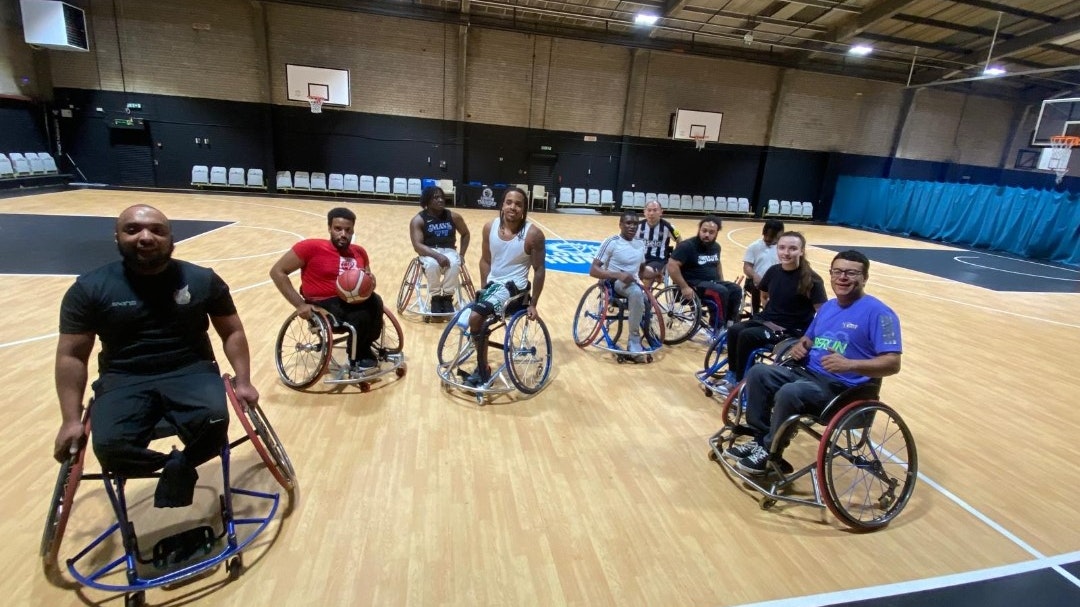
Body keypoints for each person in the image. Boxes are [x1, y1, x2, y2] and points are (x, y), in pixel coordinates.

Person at [53, 205, 259, 508]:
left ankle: (178, 467)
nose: (145, 237)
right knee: (109, 447)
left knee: (215, 423)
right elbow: (71, 355)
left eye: (156, 230)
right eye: (133, 229)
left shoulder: (202, 280)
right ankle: (176, 465)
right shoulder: (89, 289)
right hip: (123, 377)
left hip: (192, 370)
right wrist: (70, 420)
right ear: (117, 237)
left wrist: (244, 381)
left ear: (171, 237)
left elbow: (232, 332)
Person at [726, 250, 903, 475]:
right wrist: (802, 345)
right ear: (830, 274)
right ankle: (761, 440)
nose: (843, 277)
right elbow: (809, 337)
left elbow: (893, 363)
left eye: (851, 273)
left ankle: (771, 453)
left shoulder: (880, 314)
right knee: (759, 373)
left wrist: (850, 365)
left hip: (844, 389)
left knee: (790, 392)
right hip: (809, 374)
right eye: (837, 271)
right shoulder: (828, 307)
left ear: (865, 278)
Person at [270, 207, 384, 371]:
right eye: (338, 229)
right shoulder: (309, 248)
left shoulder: (359, 252)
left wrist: (371, 281)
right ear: (329, 228)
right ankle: (357, 355)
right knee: (361, 314)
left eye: (348, 230)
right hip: (322, 303)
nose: (343, 234)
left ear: (353, 231)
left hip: (351, 299)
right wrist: (299, 305)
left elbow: (369, 282)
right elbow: (277, 272)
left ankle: (365, 346)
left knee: (376, 300)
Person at [718, 231, 827, 394]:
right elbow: (764, 294)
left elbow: (823, 313)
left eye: (792, 248)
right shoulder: (774, 271)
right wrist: (768, 309)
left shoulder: (813, 280)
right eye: (782, 248)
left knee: (747, 336)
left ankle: (741, 382)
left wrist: (808, 337)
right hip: (767, 320)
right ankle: (734, 374)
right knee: (734, 330)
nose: (786, 252)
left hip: (790, 329)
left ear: (802, 251)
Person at [464, 187, 546, 387]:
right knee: (466, 317)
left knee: (475, 318)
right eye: (509, 202)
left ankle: (482, 369)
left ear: (524, 209)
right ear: (502, 205)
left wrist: (533, 304)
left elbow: (539, 270)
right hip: (494, 287)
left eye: (519, 204)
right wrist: (484, 289)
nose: (513, 207)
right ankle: (480, 344)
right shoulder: (489, 227)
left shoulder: (533, 234)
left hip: (515, 290)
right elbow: (485, 260)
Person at [667, 215, 742, 331]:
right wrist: (684, 287)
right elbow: (672, 265)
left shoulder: (716, 247)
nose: (707, 235)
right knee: (720, 291)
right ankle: (717, 328)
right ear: (699, 230)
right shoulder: (687, 246)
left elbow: (717, 264)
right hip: (693, 285)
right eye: (704, 231)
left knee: (736, 289)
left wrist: (721, 281)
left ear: (717, 233)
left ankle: (730, 324)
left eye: (711, 232)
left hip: (711, 283)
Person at [590, 211, 647, 354]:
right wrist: (618, 275)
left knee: (647, 298)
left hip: (633, 282)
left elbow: (641, 270)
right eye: (628, 223)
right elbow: (593, 270)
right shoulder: (611, 242)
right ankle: (634, 340)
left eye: (635, 224)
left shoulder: (640, 244)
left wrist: (657, 274)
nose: (632, 226)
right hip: (613, 282)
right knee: (636, 292)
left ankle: (647, 331)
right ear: (620, 225)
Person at [409, 186, 470, 314]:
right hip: (429, 251)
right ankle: (436, 298)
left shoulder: (453, 216)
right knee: (432, 265)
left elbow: (465, 234)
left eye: (442, 197)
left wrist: (462, 254)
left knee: (454, 263)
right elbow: (417, 245)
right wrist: (437, 256)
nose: (441, 200)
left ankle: (447, 297)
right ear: (427, 201)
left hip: (449, 250)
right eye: (436, 197)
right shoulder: (418, 220)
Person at [635, 199, 681, 290]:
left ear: (661, 212)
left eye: (655, 210)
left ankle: (645, 297)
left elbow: (680, 241)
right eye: (649, 210)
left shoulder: (669, 227)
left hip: (658, 260)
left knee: (647, 273)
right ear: (644, 212)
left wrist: (674, 258)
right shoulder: (637, 226)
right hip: (639, 258)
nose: (651, 213)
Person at [742, 219, 784, 314]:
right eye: (766, 236)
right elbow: (747, 266)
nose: (768, 239)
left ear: (780, 234)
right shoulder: (754, 246)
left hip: (776, 281)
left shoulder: (783, 249)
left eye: (771, 236)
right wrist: (754, 275)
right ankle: (755, 314)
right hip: (755, 281)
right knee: (758, 287)